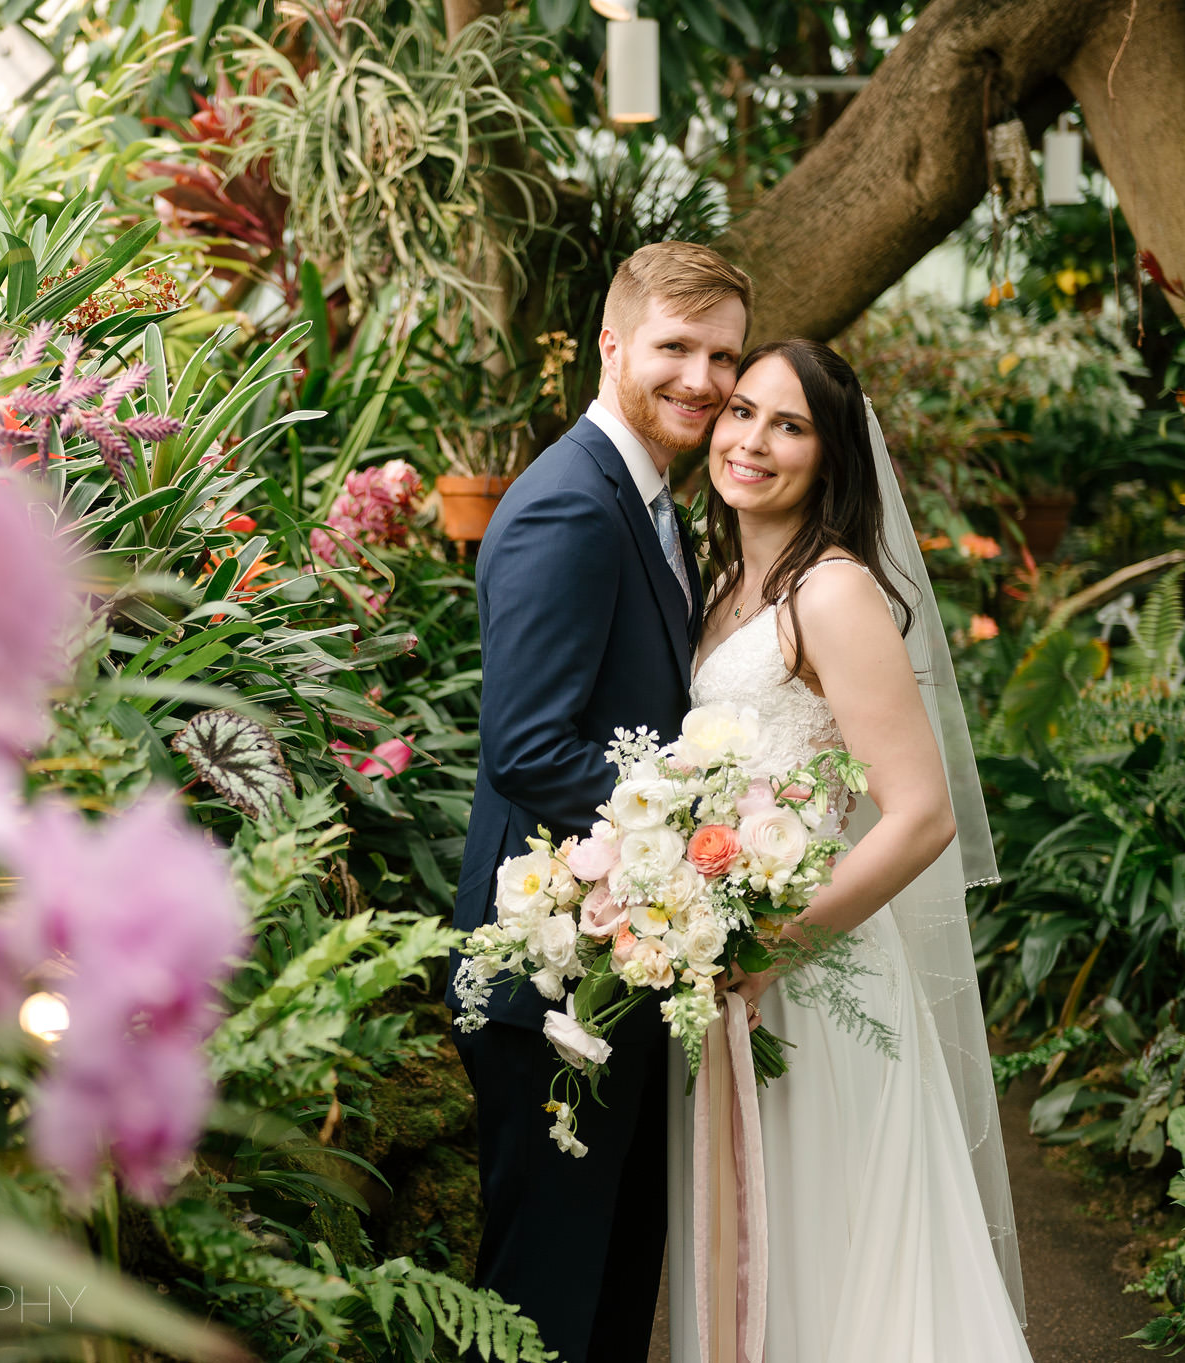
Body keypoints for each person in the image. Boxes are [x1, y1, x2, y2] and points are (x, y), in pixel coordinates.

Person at [666, 338, 1030, 1361]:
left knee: (834, 1256)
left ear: (830, 456)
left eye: (788, 425)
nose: (750, 440)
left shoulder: (829, 591)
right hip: (739, 968)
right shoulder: (732, 579)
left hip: (816, 977)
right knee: (760, 1259)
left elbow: (918, 813)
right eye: (740, 410)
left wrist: (772, 944)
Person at [449, 241, 751, 1363]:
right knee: (544, 1312)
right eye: (675, 347)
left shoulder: (649, 501)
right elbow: (528, 748)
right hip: (547, 982)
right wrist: (697, 847)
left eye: (722, 354)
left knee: (609, 1294)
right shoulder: (569, 508)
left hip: (611, 962)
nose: (702, 378)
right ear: (612, 346)